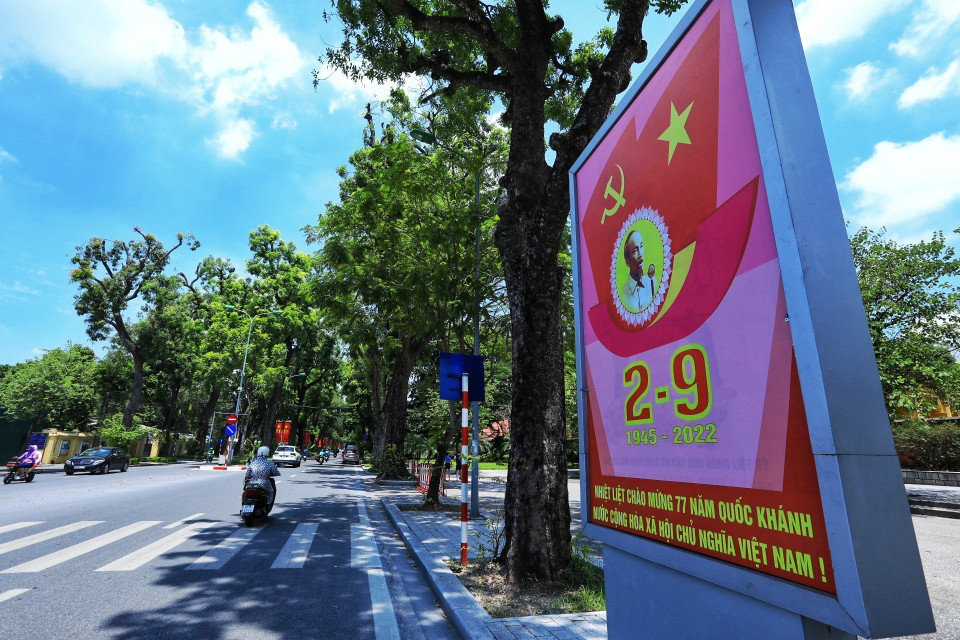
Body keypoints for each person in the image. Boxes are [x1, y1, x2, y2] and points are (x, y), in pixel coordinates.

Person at [619, 230, 654, 313]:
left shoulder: (653, 282)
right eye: (635, 250)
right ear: (628, 261)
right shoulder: (623, 295)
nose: (640, 254)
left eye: (641, 246)